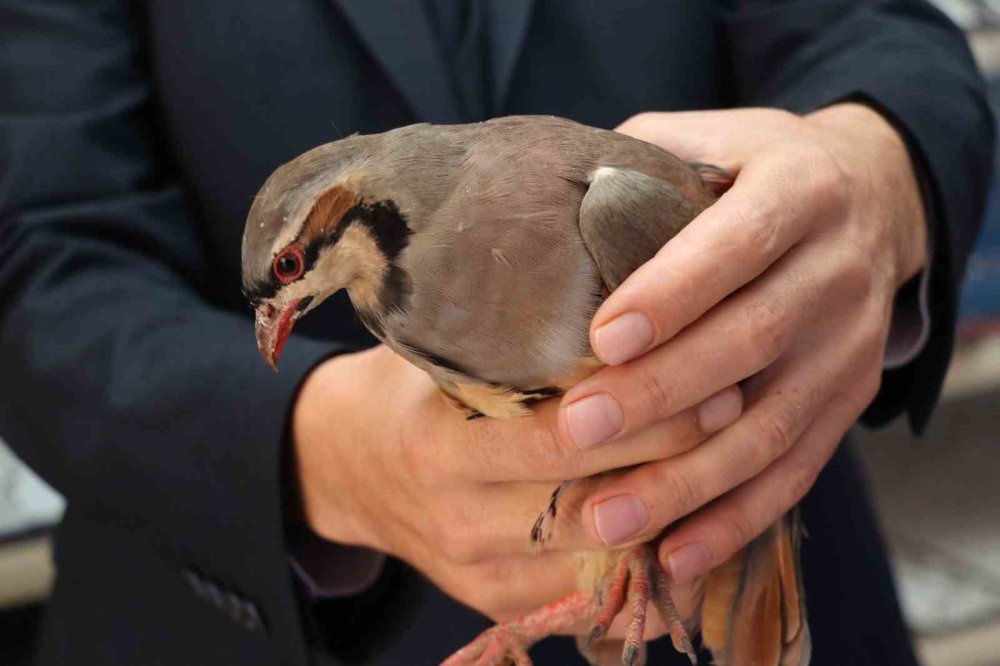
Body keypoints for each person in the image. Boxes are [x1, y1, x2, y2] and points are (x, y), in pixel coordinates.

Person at [0, 1, 992, 664]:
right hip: (253, 622)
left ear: (348, 213)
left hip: (740, 516)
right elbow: (33, 251)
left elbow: (876, 26)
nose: (286, 308)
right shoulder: (380, 297)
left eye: (296, 276)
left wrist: (873, 170)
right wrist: (318, 453)